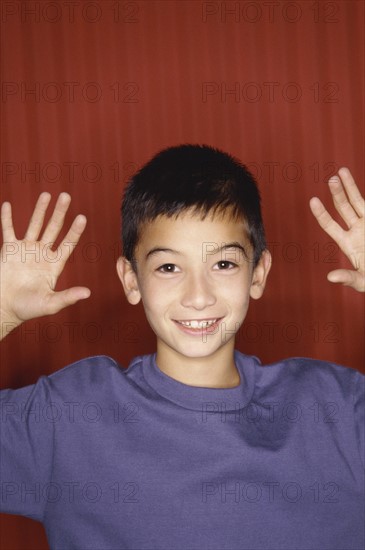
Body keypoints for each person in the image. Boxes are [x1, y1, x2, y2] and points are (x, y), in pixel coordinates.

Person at [0, 144, 364, 550]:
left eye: (224, 264)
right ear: (131, 280)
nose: (198, 296)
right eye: (169, 267)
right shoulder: (66, 418)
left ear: (258, 274)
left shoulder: (339, 409)